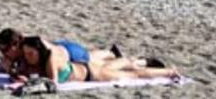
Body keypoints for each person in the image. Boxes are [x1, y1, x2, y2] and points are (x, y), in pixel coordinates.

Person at [20, 37, 178, 84]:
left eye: (30, 53)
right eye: (26, 53)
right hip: (83, 67)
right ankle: (138, 60)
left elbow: (53, 82)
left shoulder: (51, 58)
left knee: (133, 75)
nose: (28, 56)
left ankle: (169, 71)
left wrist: (30, 81)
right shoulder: (34, 60)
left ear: (39, 51)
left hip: (91, 74)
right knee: (116, 66)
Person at [0, 29, 116, 79]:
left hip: (71, 54)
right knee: (92, 57)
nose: (3, 53)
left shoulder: (30, 49)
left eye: (4, 50)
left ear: (14, 46)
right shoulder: (23, 44)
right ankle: (110, 52)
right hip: (63, 47)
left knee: (98, 64)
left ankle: (114, 55)